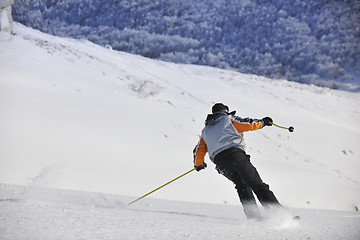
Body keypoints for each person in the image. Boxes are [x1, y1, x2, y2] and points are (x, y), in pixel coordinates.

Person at [193, 103, 282, 220]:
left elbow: (199, 149)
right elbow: (247, 124)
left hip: (221, 164)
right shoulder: (228, 119)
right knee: (257, 185)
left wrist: (199, 164)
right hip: (235, 156)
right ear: (226, 111)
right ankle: (280, 216)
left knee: (242, 186)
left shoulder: (205, 130)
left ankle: (254, 218)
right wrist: (264, 122)